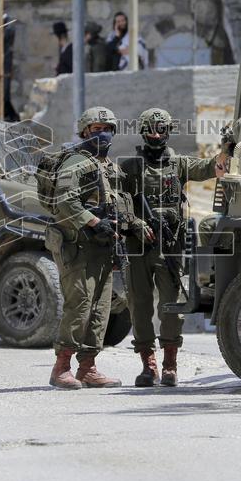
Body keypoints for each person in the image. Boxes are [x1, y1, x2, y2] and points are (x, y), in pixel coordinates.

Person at [118, 108, 228, 387]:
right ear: (143, 131)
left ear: (168, 132)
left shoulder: (178, 164)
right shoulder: (130, 167)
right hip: (137, 246)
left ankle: (169, 364)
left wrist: (226, 152)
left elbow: (209, 168)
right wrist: (134, 223)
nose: (156, 134)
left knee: (171, 306)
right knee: (139, 305)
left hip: (169, 246)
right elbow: (118, 202)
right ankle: (148, 365)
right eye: (151, 129)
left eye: (161, 129)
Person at [45, 106, 151, 389]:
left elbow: (117, 203)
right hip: (79, 246)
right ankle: (61, 367)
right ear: (84, 132)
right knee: (79, 304)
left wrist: (133, 225)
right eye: (96, 129)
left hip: (104, 247)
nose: (103, 134)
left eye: (108, 129)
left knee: (101, 309)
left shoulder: (107, 166)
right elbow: (65, 200)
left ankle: (88, 367)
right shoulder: (75, 162)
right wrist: (92, 221)